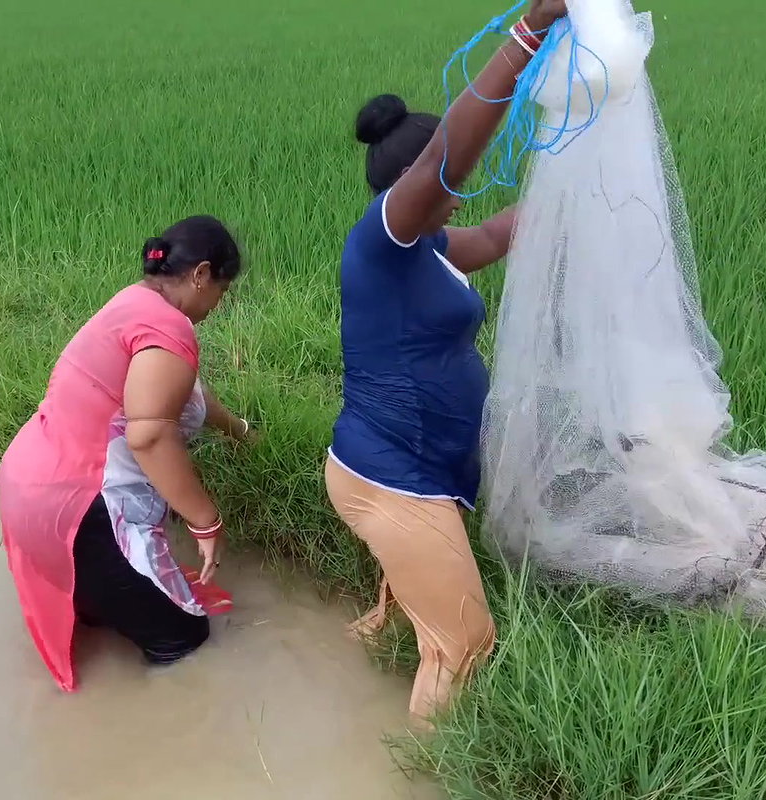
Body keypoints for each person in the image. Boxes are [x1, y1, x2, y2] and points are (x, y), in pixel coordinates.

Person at [324, 0, 569, 727]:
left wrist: (568, 198)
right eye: (447, 184)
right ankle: (422, 767)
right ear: (415, 186)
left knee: (421, 611)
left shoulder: (427, 246)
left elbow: (493, 237)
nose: (457, 192)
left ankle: (357, 646)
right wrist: (531, 29)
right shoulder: (382, 243)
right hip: (392, 476)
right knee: (464, 645)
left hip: (418, 467)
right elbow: (445, 160)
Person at [0, 215, 252, 691]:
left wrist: (241, 431)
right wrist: (205, 520)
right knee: (184, 639)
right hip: (76, 509)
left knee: (117, 603)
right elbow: (150, 436)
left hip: (26, 487)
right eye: (222, 288)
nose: (220, 303)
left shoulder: (132, 304)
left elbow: (187, 394)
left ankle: (104, 604)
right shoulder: (171, 328)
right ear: (200, 275)